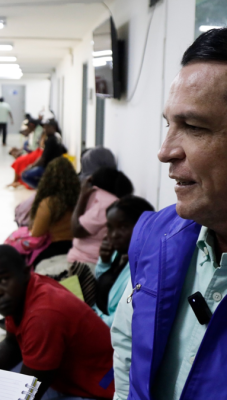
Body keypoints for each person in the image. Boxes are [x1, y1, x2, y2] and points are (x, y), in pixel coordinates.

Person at [111, 28, 227, 400]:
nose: (164, 152)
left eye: (193, 127)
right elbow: (127, 343)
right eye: (169, 124)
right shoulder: (155, 235)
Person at [0, 245, 115, 400]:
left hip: (101, 390)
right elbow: (12, 346)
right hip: (72, 376)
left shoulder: (43, 315)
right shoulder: (23, 294)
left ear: (26, 273)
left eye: (3, 280)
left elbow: (27, 394)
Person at [94, 195, 154, 327]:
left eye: (123, 227)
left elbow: (120, 321)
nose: (114, 235)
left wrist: (89, 316)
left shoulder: (146, 269)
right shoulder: (117, 253)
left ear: (144, 226)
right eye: (110, 228)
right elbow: (102, 285)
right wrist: (104, 262)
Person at [68, 168, 134, 269]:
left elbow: (76, 230)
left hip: (87, 264)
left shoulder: (106, 203)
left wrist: (82, 196)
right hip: (84, 260)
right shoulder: (107, 200)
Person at [29, 157, 80, 268]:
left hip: (55, 249)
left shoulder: (49, 203)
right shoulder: (82, 199)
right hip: (80, 247)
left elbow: (37, 233)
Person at [21, 120, 66, 189]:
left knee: (25, 175)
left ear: (53, 127)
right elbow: (64, 150)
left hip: (48, 168)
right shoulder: (56, 138)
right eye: (44, 127)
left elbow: (42, 158)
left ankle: (41, 189)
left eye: (47, 127)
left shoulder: (51, 140)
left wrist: (31, 166)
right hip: (54, 166)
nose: (45, 129)